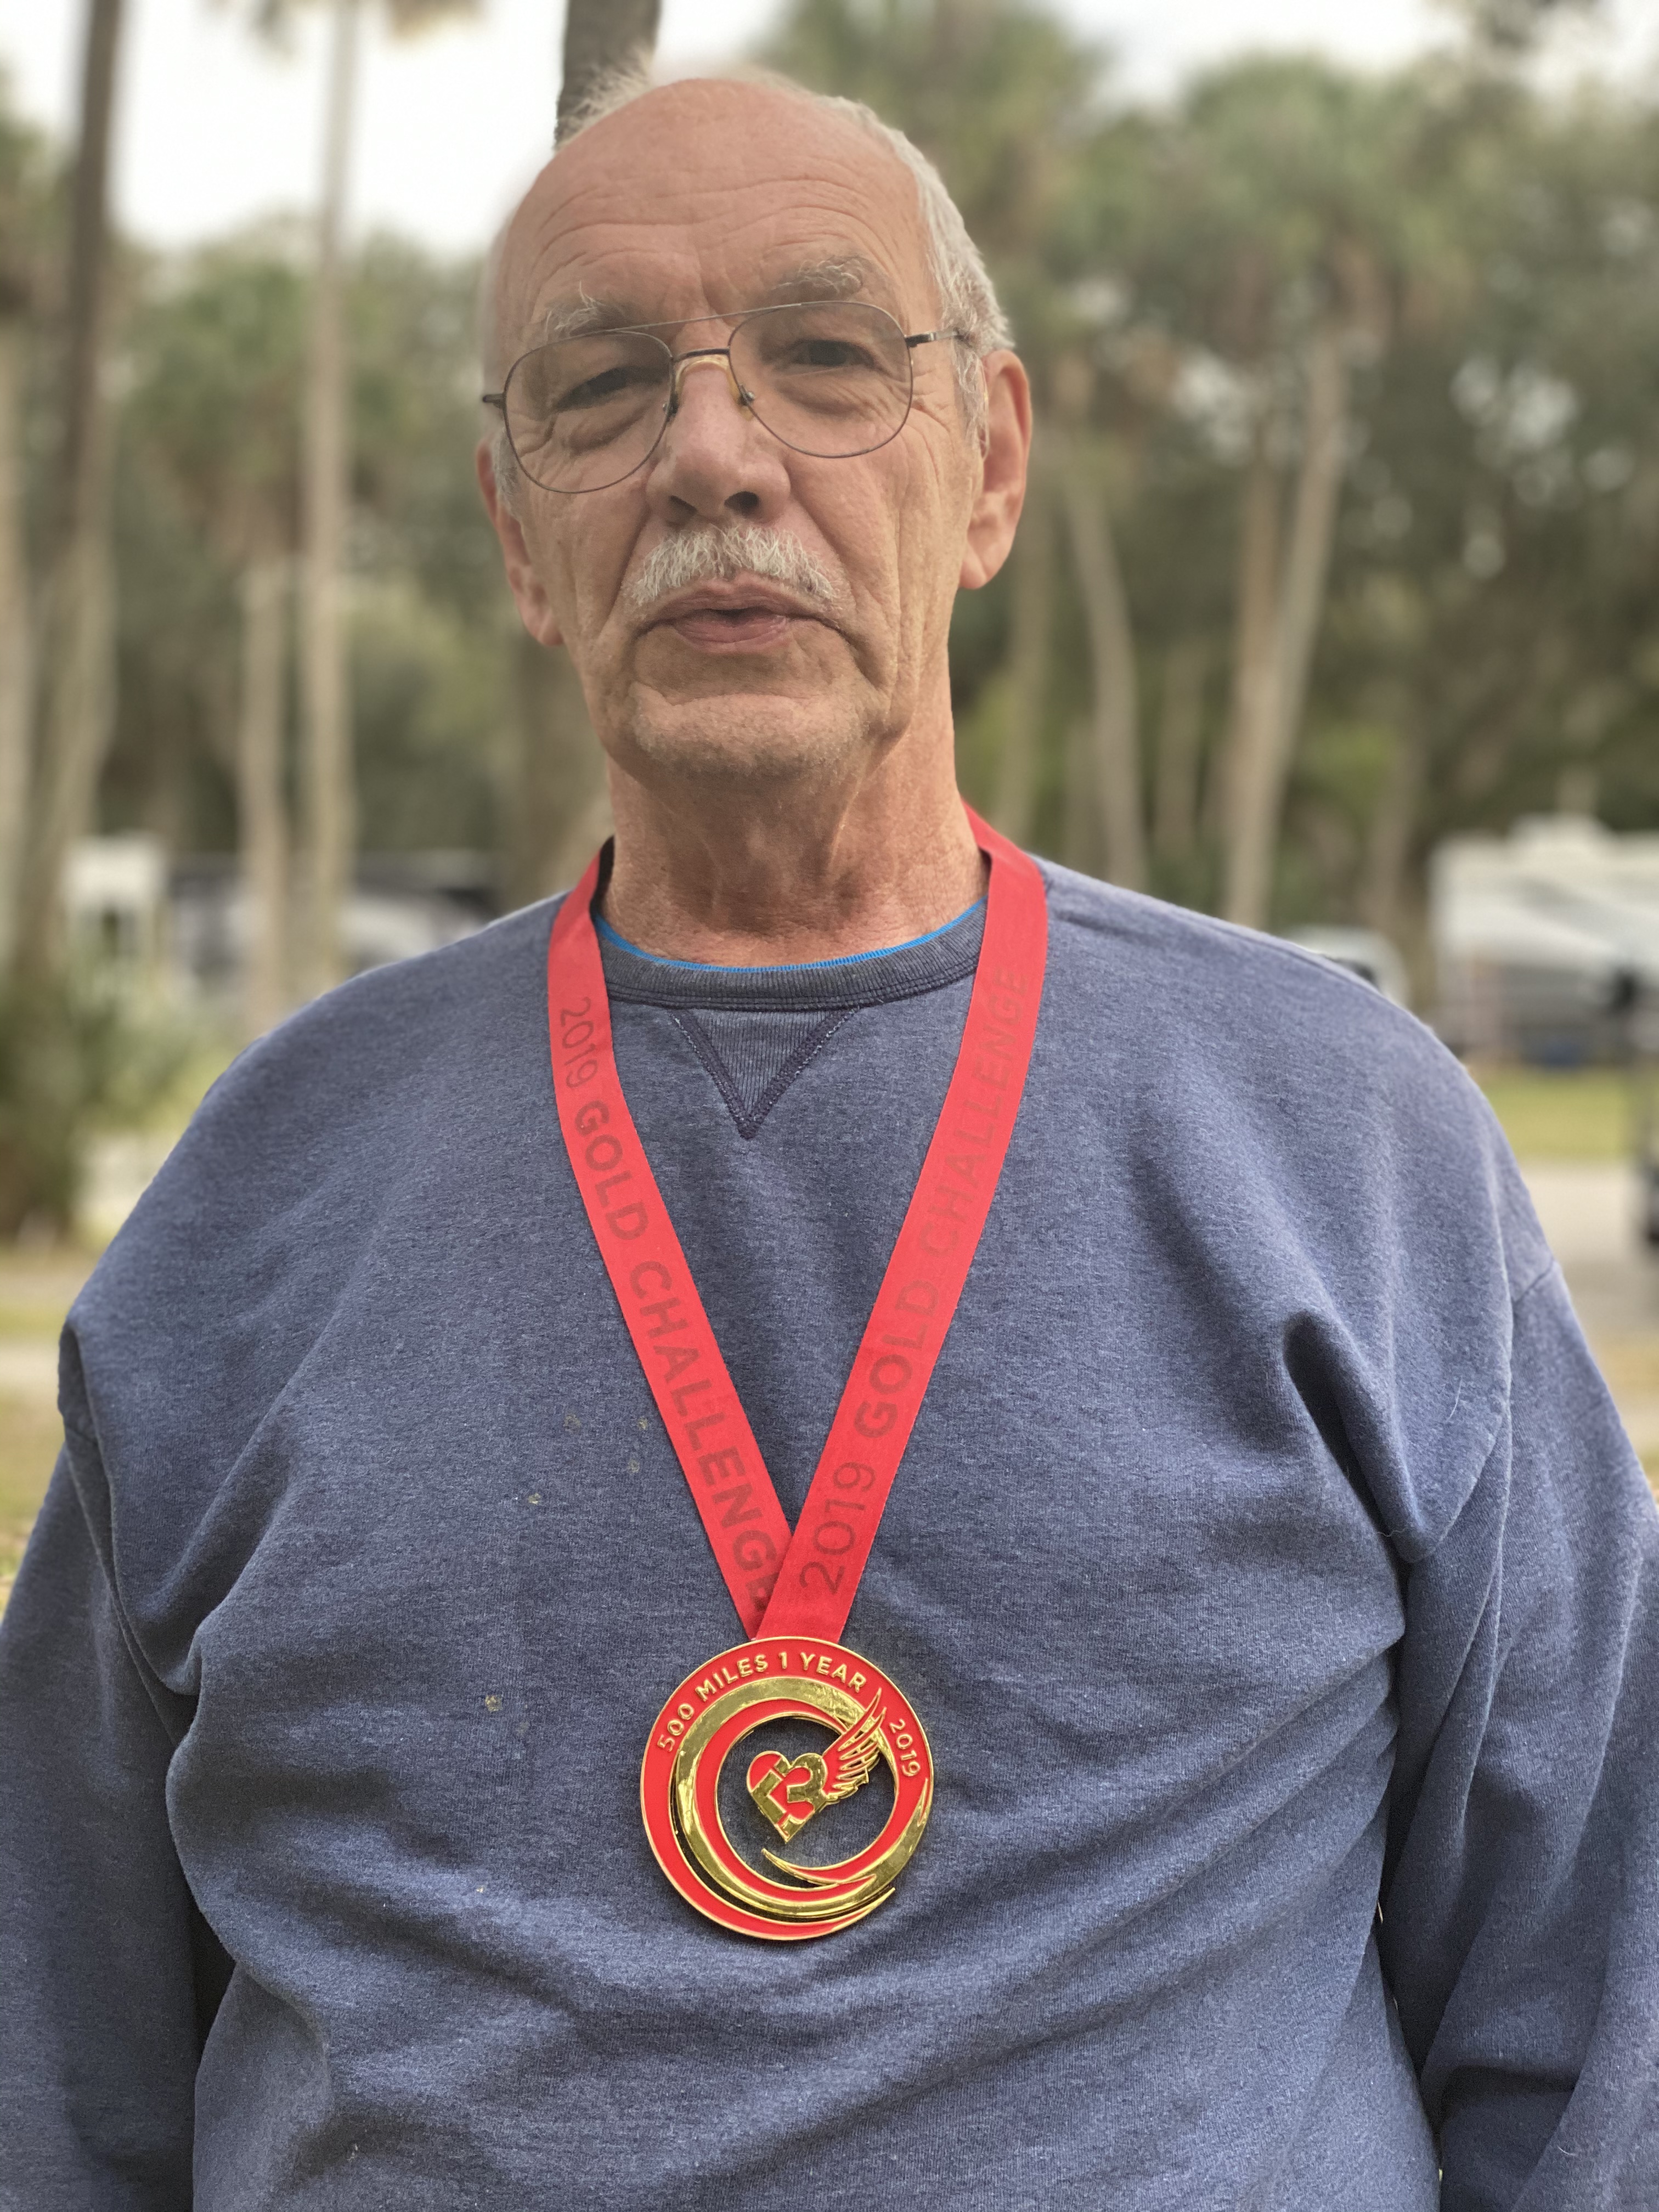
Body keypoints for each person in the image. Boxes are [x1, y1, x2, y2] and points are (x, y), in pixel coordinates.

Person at [2, 69, 1656, 2212]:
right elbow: (58, 2069)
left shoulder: (1353, 1146)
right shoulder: (259, 1197)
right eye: (605, 388)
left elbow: (1593, 2009)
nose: (714, 453)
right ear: (515, 532)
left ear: (992, 465)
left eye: (827, 358)